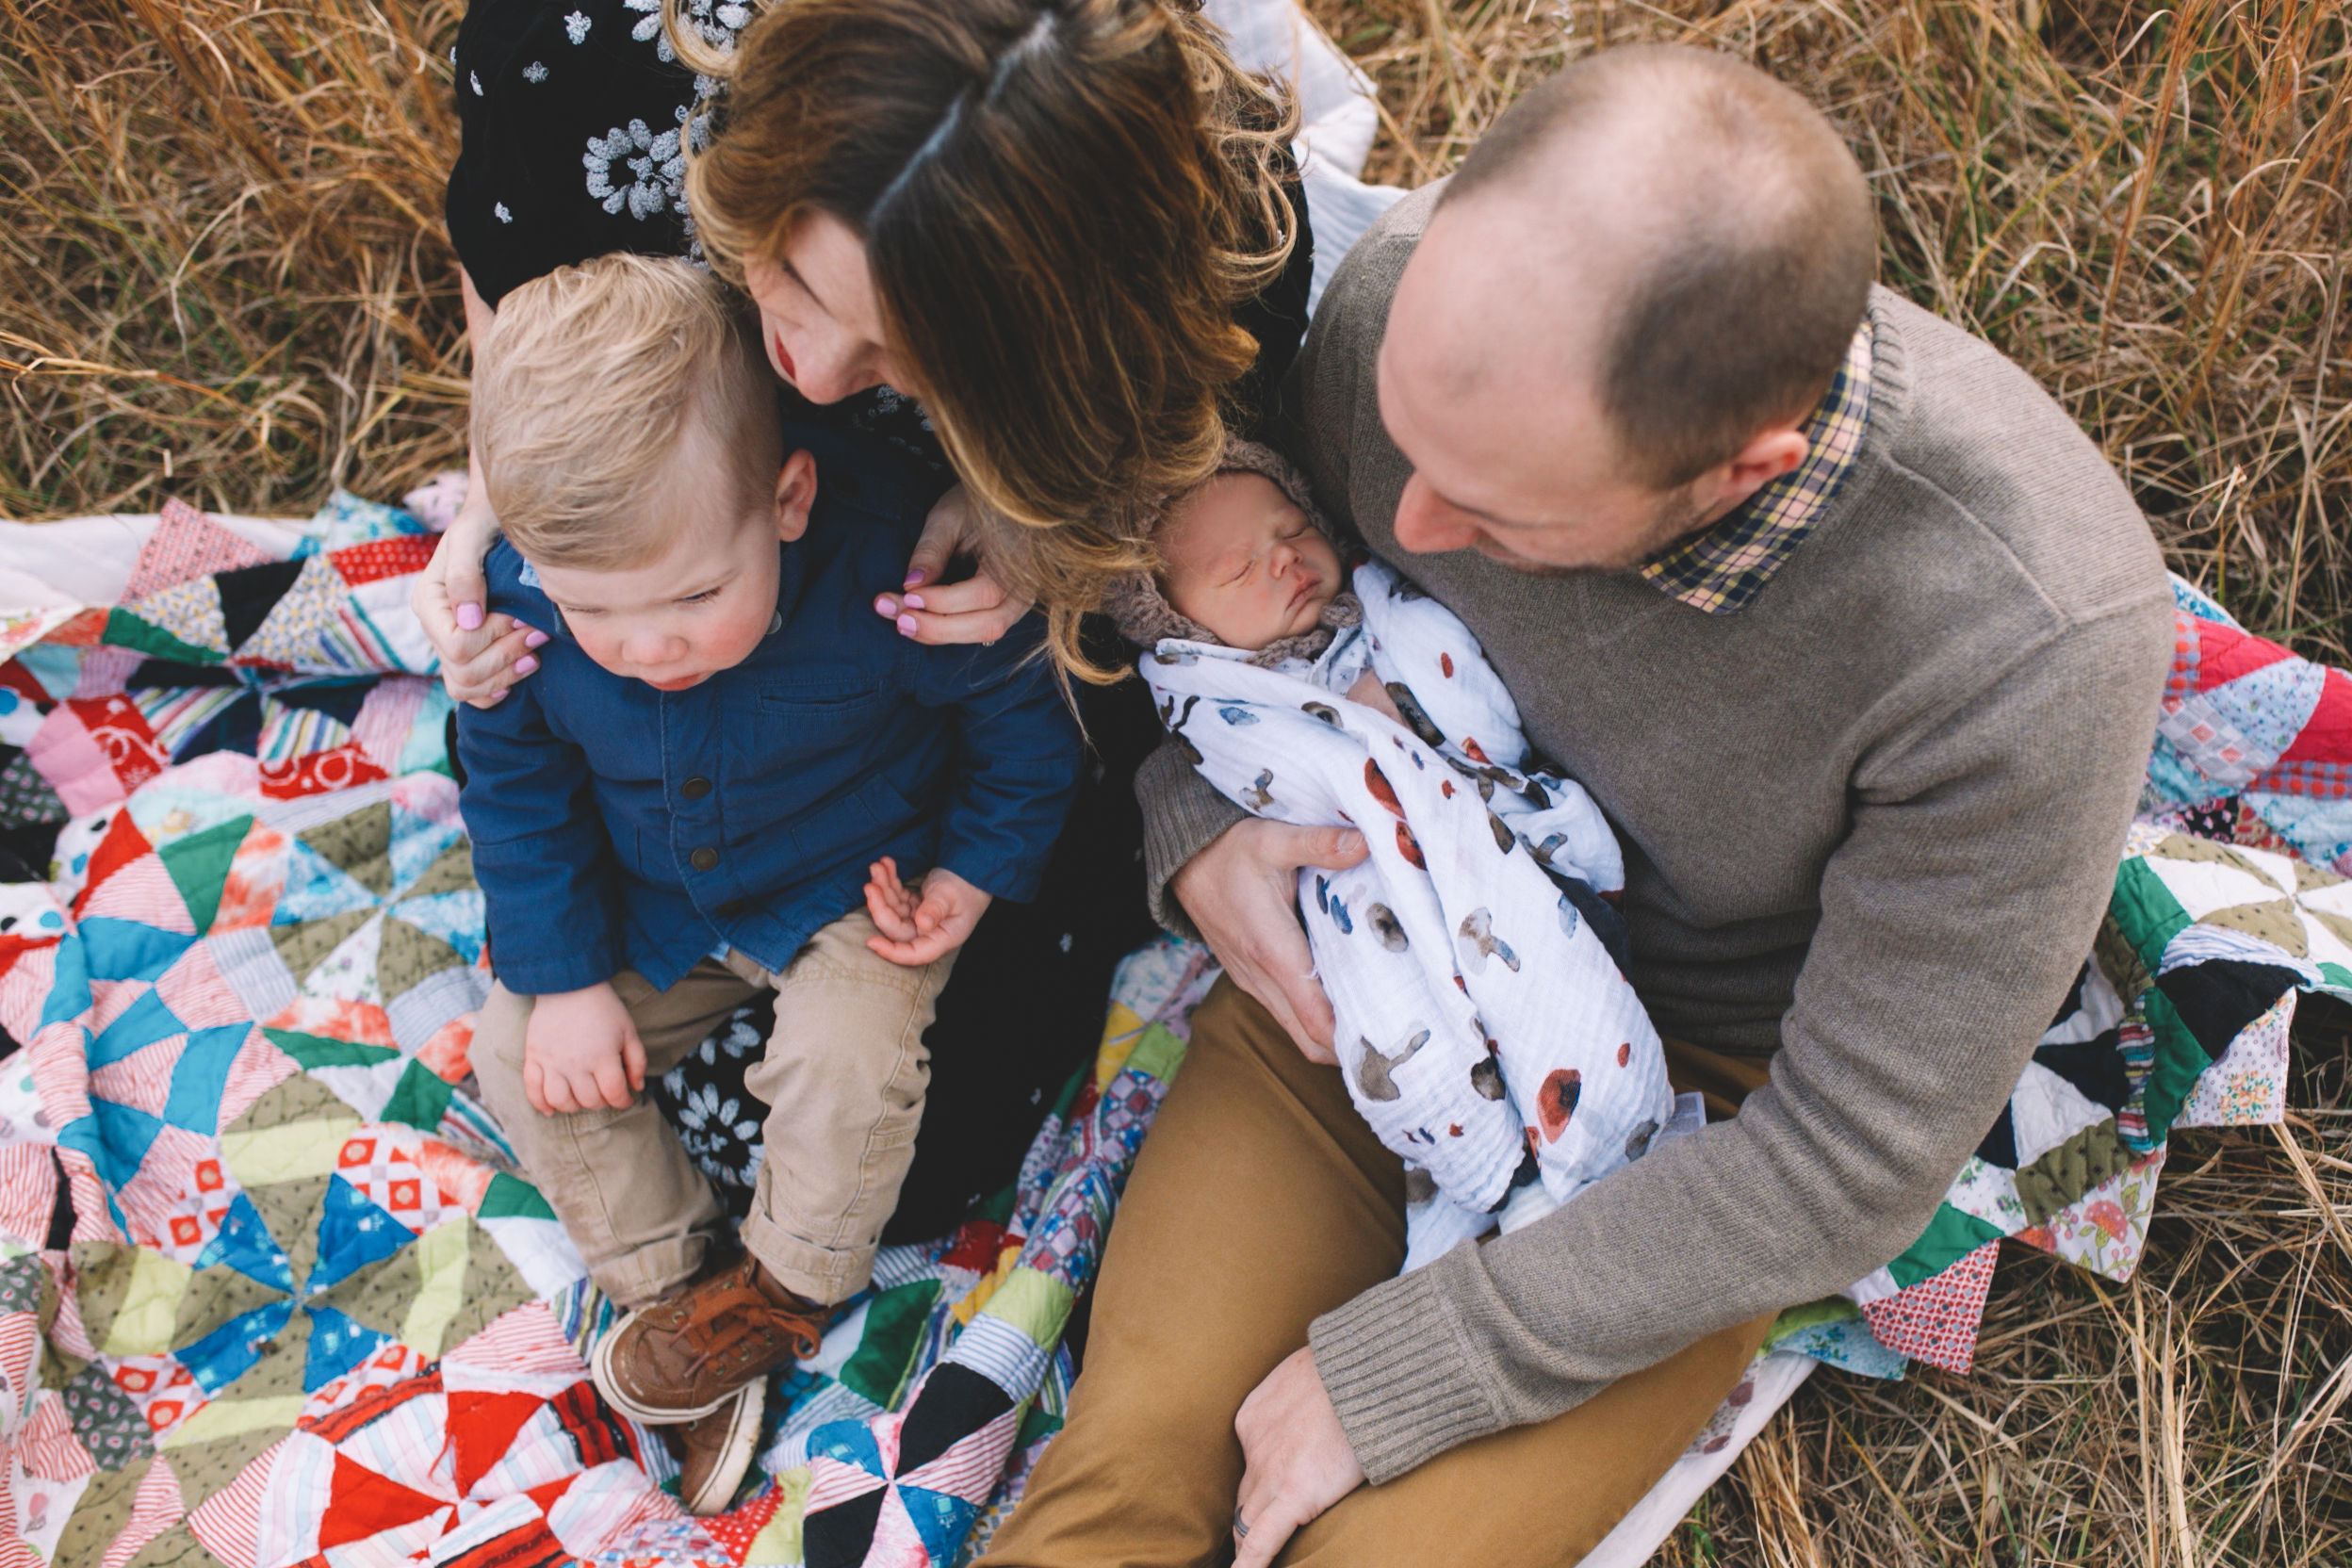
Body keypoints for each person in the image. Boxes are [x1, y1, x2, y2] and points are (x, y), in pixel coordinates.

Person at [976, 44, 2176, 1568]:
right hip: (1387, 962)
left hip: (1687, 1118)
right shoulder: (1403, 312)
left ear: (1740, 474)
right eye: (1406, 456)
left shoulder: (2024, 651)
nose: (1404, 532)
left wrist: (1419, 1359)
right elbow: (1232, 630)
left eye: (1491, 515)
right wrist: (1195, 820)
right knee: (1127, 1467)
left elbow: (1848, 1158)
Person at [426, 0, 1335, 1240]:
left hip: (934, 704)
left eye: (913, 355)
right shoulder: (565, 51)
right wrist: (507, 506)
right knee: (572, 1011)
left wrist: (1039, 508)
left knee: (906, 1168)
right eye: (792, 278)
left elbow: (1203, 464)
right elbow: (512, 293)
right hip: (681, 569)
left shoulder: (1198, 191)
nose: (811, 375)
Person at [454, 254, 1082, 1513]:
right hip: (659, 906)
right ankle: (679, 1289)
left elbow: (1025, 713)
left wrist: (971, 870)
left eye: (693, 596)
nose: (647, 647)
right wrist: (565, 977)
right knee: (520, 1050)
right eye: (598, 612)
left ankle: (787, 1286)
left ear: (788, 500)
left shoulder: (883, 562)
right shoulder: (527, 615)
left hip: (856, 886)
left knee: (845, 1068)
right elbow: (517, 800)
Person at [1106, 442, 1679, 1270]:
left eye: (1294, 528)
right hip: (1369, 906)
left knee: (1554, 982)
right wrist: (1355, 747)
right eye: (1238, 572)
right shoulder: (1219, 697)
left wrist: (1406, 706)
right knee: (1412, 1037)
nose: (1286, 563)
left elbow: (1478, 703)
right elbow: (1272, 776)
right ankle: (1509, 1181)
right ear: (1185, 629)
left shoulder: (1381, 612)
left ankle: (1593, 1166)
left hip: (1499, 861)